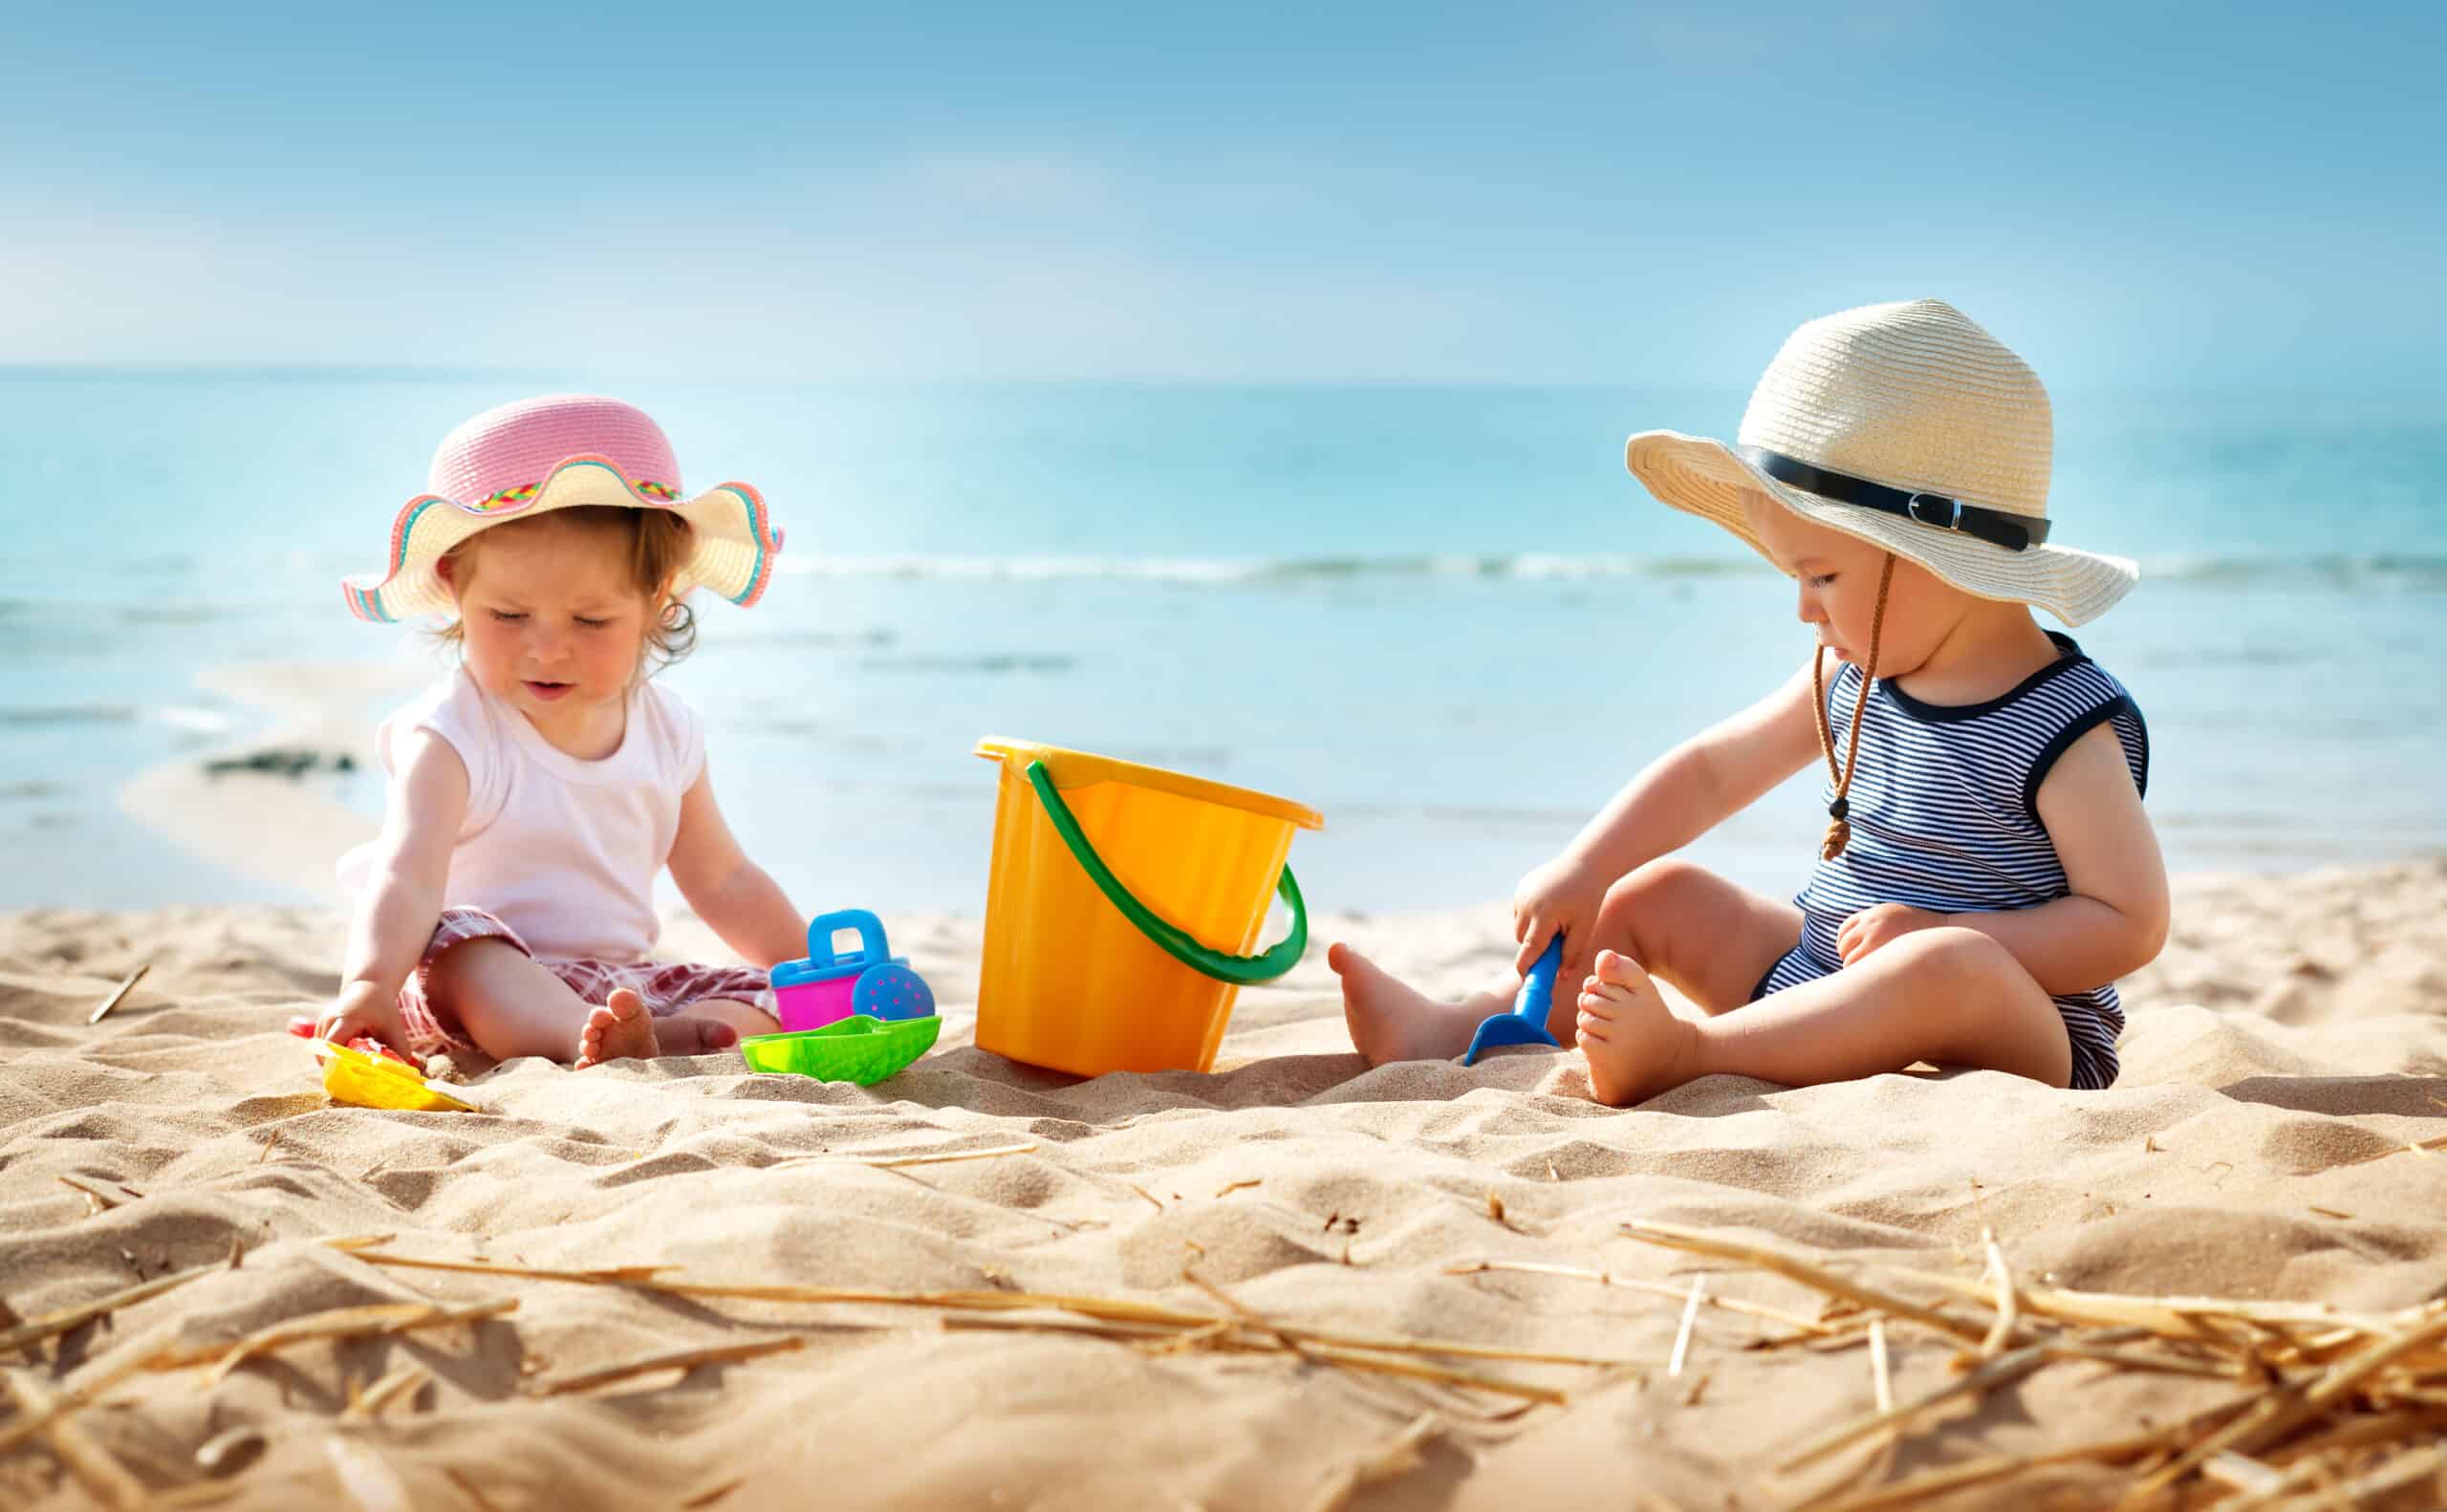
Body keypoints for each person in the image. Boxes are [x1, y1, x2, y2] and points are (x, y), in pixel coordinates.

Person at [1332, 299, 2167, 1105]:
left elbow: (2129, 922)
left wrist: (1959, 939)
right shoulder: (1854, 676)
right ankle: (1465, 1027)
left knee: (1947, 964)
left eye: (1822, 576)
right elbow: (1711, 774)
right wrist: (1588, 866)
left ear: (1933, 556)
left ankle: (1696, 1053)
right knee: (1652, 895)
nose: (1805, 609)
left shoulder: (2062, 722)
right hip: (1819, 978)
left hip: (2011, 1022)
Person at [314, 394, 800, 1069]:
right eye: (509, 616)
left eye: (590, 622)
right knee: (465, 943)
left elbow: (723, 879)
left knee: (761, 996)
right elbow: (408, 879)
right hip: (473, 978)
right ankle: (584, 1037)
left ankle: (651, 1039)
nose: (547, 650)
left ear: (659, 597)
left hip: (618, 983)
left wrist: (810, 967)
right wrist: (367, 985)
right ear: (455, 586)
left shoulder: (671, 731)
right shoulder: (451, 735)